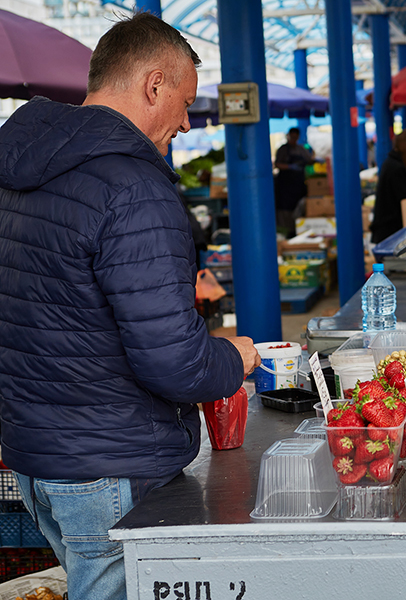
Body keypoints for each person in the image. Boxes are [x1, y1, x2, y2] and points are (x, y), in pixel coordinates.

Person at [0, 13, 261, 600]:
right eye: (186, 103)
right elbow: (174, 361)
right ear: (153, 85)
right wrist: (232, 358)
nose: (187, 124)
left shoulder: (17, 170)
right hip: (108, 465)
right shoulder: (135, 188)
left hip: (35, 456)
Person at [370, 128, 406, 244]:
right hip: (391, 233)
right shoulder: (397, 168)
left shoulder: (390, 163)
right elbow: (404, 199)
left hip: (386, 231)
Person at [273, 127, 315, 235]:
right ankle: (286, 231)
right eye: (292, 137)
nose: (293, 139)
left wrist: (313, 156)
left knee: (297, 207)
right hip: (285, 185)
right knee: (284, 209)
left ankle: (296, 230)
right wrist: (290, 166)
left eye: (296, 137)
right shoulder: (283, 149)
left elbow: (309, 161)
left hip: (298, 184)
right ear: (288, 136)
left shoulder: (301, 149)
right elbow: (277, 164)